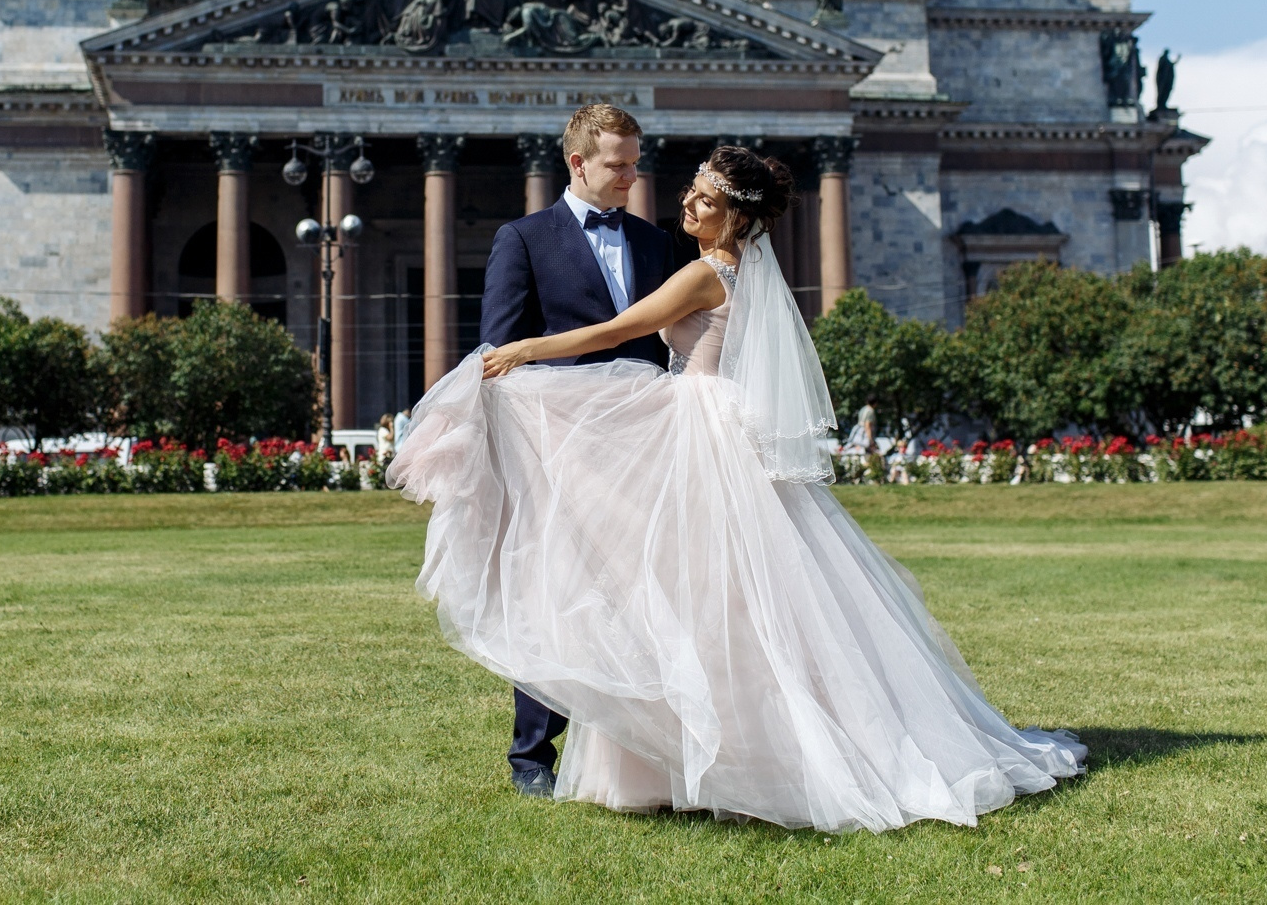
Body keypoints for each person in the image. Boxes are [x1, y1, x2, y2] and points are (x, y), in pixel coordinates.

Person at [390, 143, 1084, 832]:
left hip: (697, 428)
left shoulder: (705, 272)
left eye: (706, 200)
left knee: (690, 593)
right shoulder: (743, 268)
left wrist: (524, 349)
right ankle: (714, 755)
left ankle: (721, 759)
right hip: (716, 424)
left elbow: (619, 329)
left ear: (736, 217)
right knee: (719, 595)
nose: (687, 204)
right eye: (693, 191)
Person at [475, 103, 682, 797]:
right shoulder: (523, 239)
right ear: (578, 162)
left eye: (635, 163)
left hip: (644, 447)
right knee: (555, 593)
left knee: (643, 593)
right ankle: (532, 755)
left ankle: (635, 745)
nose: (631, 175)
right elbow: (502, 354)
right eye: (618, 164)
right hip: (559, 450)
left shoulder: (655, 242)